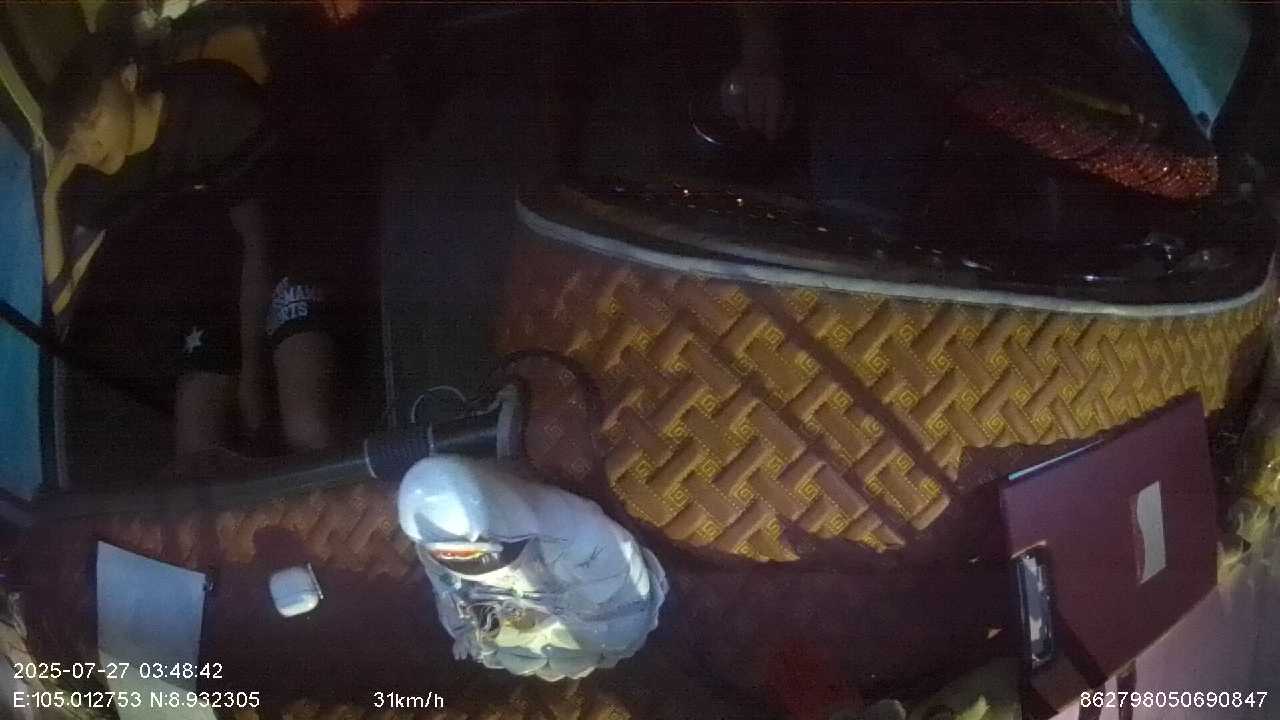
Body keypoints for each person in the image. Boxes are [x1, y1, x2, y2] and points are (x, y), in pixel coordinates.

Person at [41, 32, 349, 460]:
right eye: (74, 144)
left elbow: (258, 241)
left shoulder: (215, 105)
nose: (88, 149)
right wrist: (51, 196)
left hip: (284, 251)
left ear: (128, 79)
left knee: (307, 428)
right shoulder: (97, 180)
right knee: (196, 458)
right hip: (210, 292)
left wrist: (250, 372)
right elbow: (63, 307)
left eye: (93, 122)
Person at [397, 455, 669, 682]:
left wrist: (554, 619)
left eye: (470, 556)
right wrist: (470, 632)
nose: (463, 563)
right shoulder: (434, 551)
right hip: (522, 635)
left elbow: (622, 602)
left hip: (594, 624)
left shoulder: (573, 528)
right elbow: (450, 594)